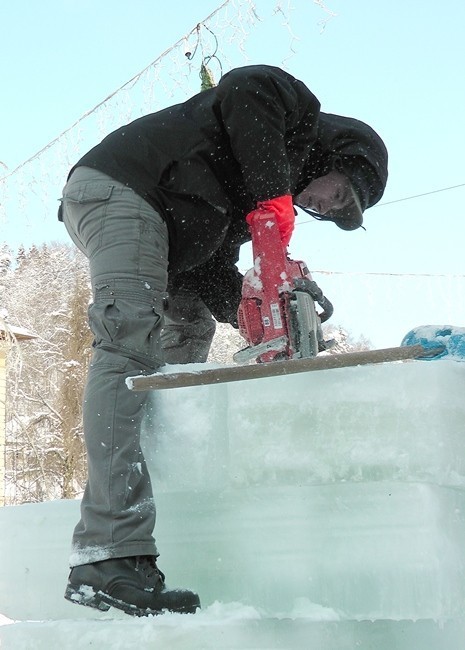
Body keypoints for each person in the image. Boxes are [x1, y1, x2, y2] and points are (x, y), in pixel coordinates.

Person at [59, 64, 388, 617]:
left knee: (189, 332)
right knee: (128, 347)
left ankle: (173, 497)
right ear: (340, 156)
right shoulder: (291, 115)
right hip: (125, 190)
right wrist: (272, 199)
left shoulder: (233, 198)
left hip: (163, 227)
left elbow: (206, 271)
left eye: (329, 212)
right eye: (336, 195)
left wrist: (256, 306)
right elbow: (245, 84)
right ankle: (109, 554)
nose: (324, 207)